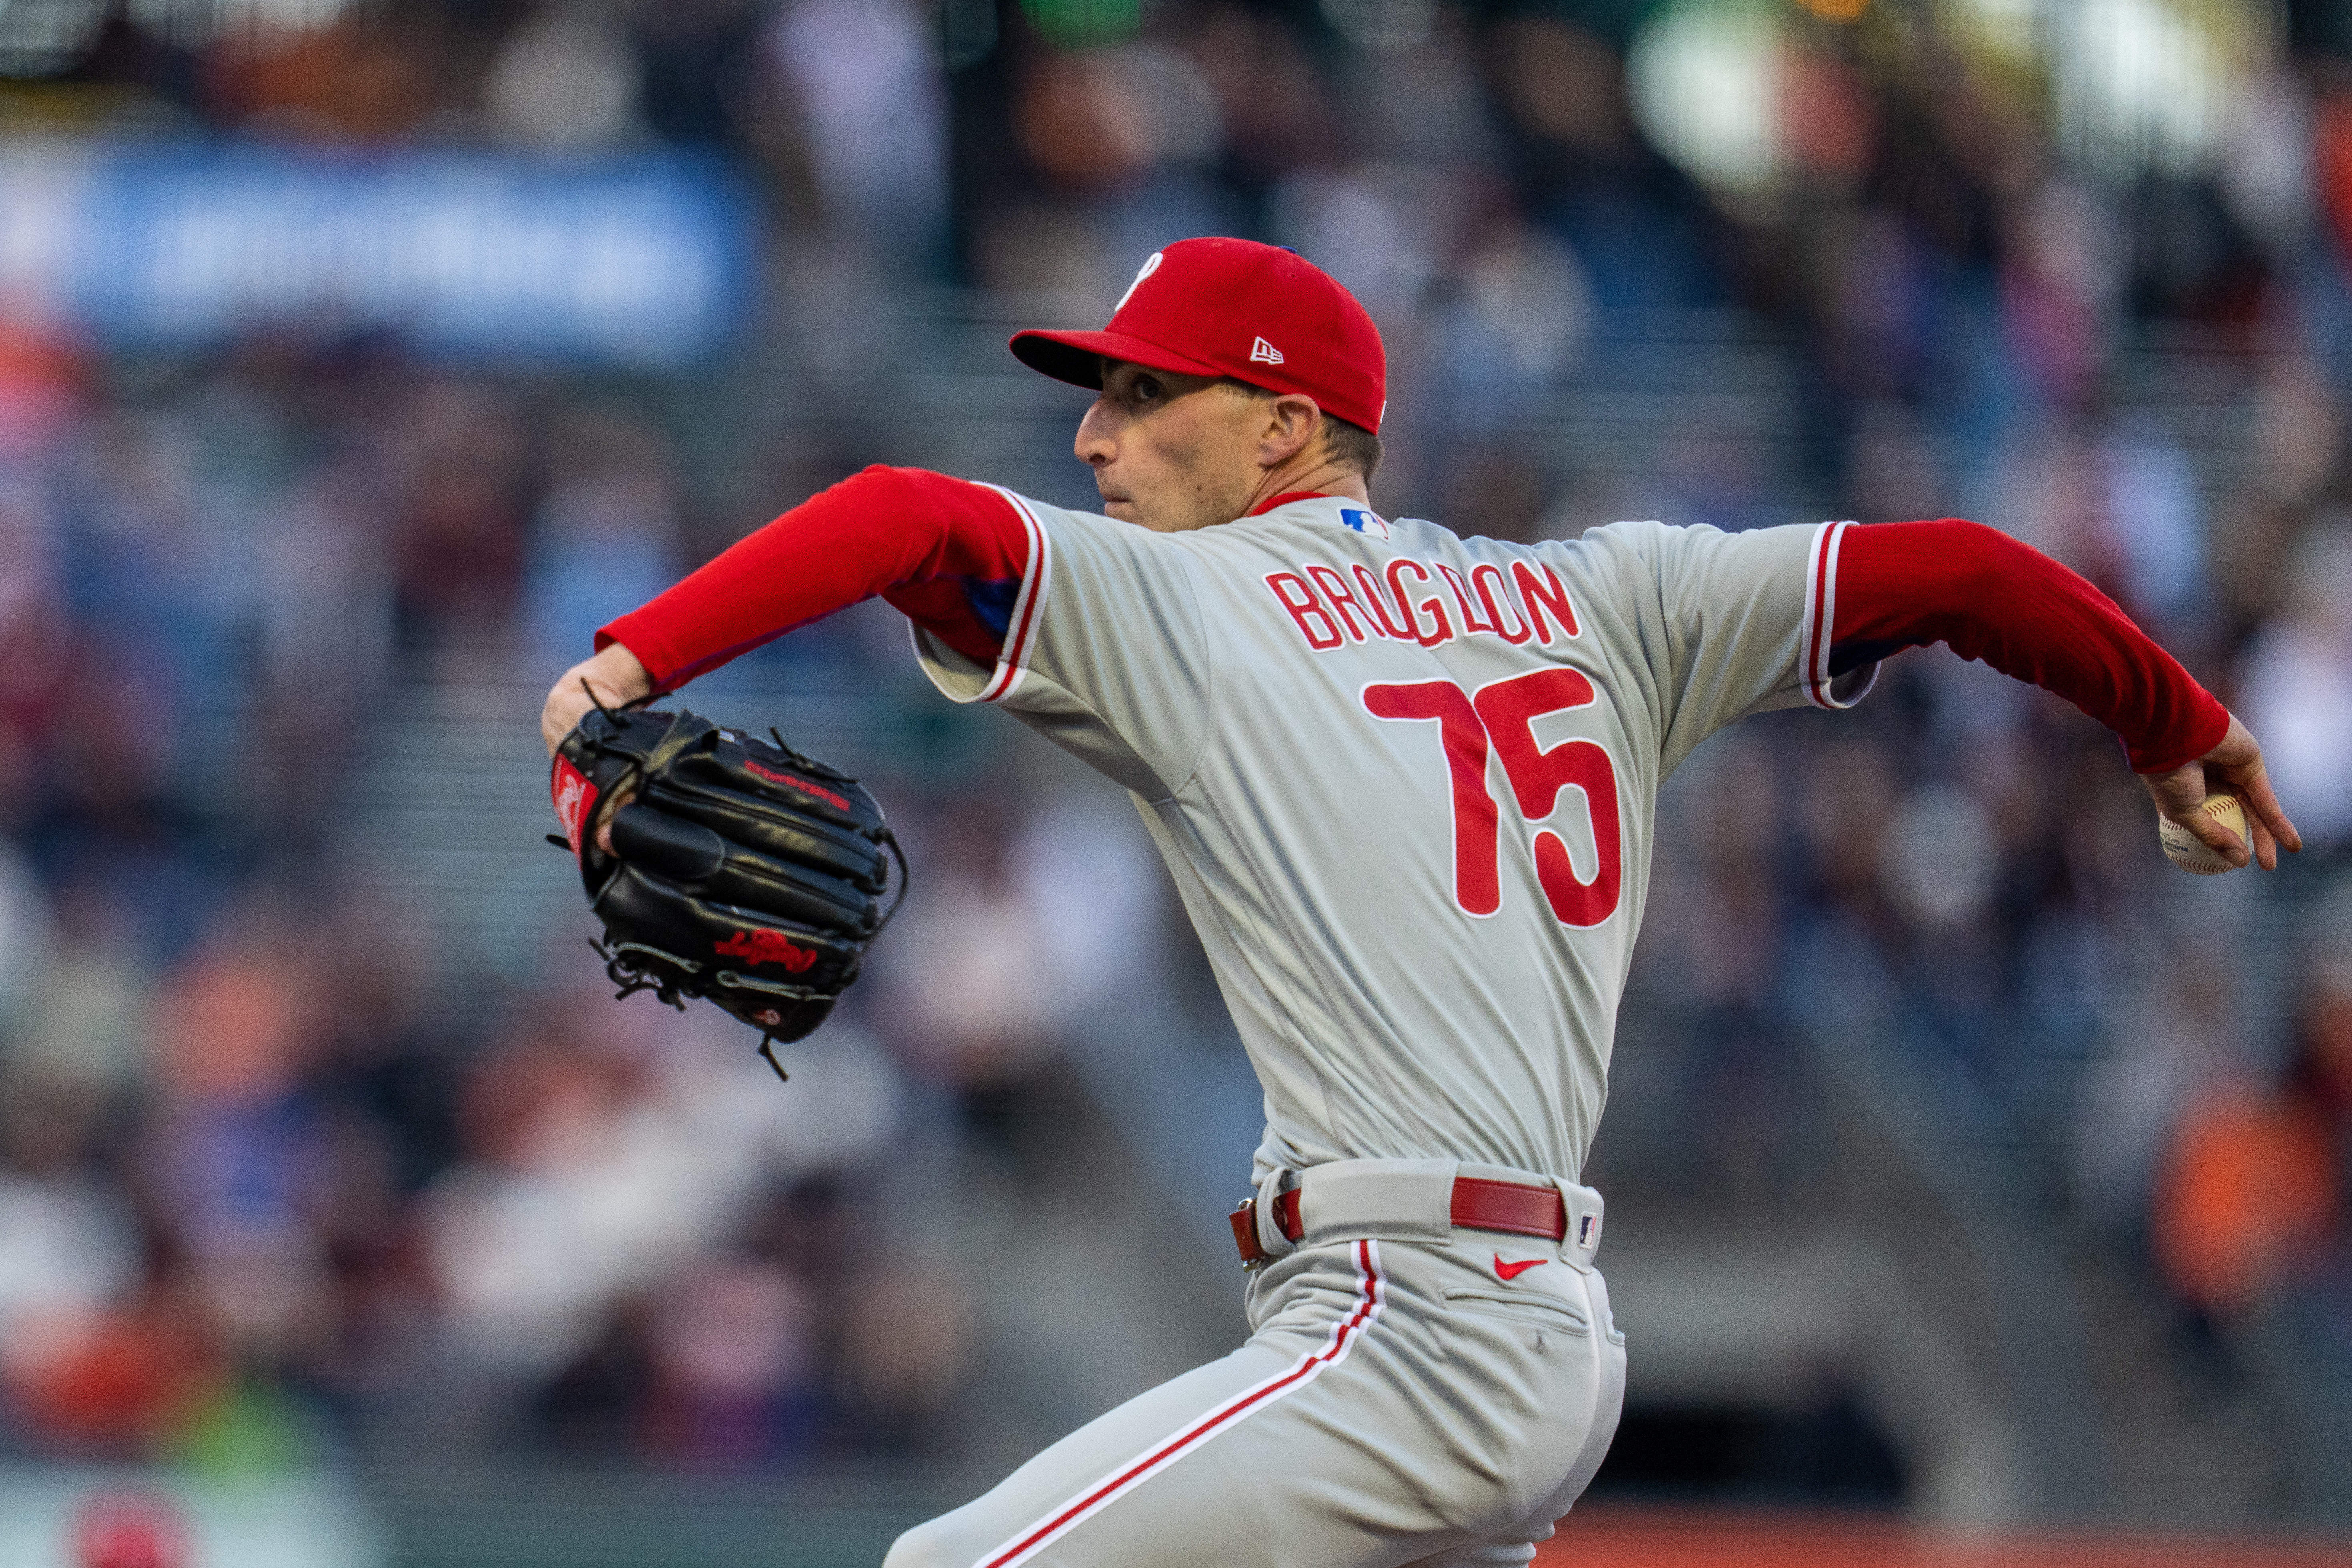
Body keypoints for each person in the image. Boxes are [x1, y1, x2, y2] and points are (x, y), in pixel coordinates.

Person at [539, 238, 2300, 1567]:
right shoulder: (1609, 599)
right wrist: (2179, 726)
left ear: (1286, 426)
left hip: (1408, 1323)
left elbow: (905, 516)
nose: (1093, 438)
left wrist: (626, 662)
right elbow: (1970, 570)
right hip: (1544, 1329)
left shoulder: (1193, 604)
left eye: (1146, 396)